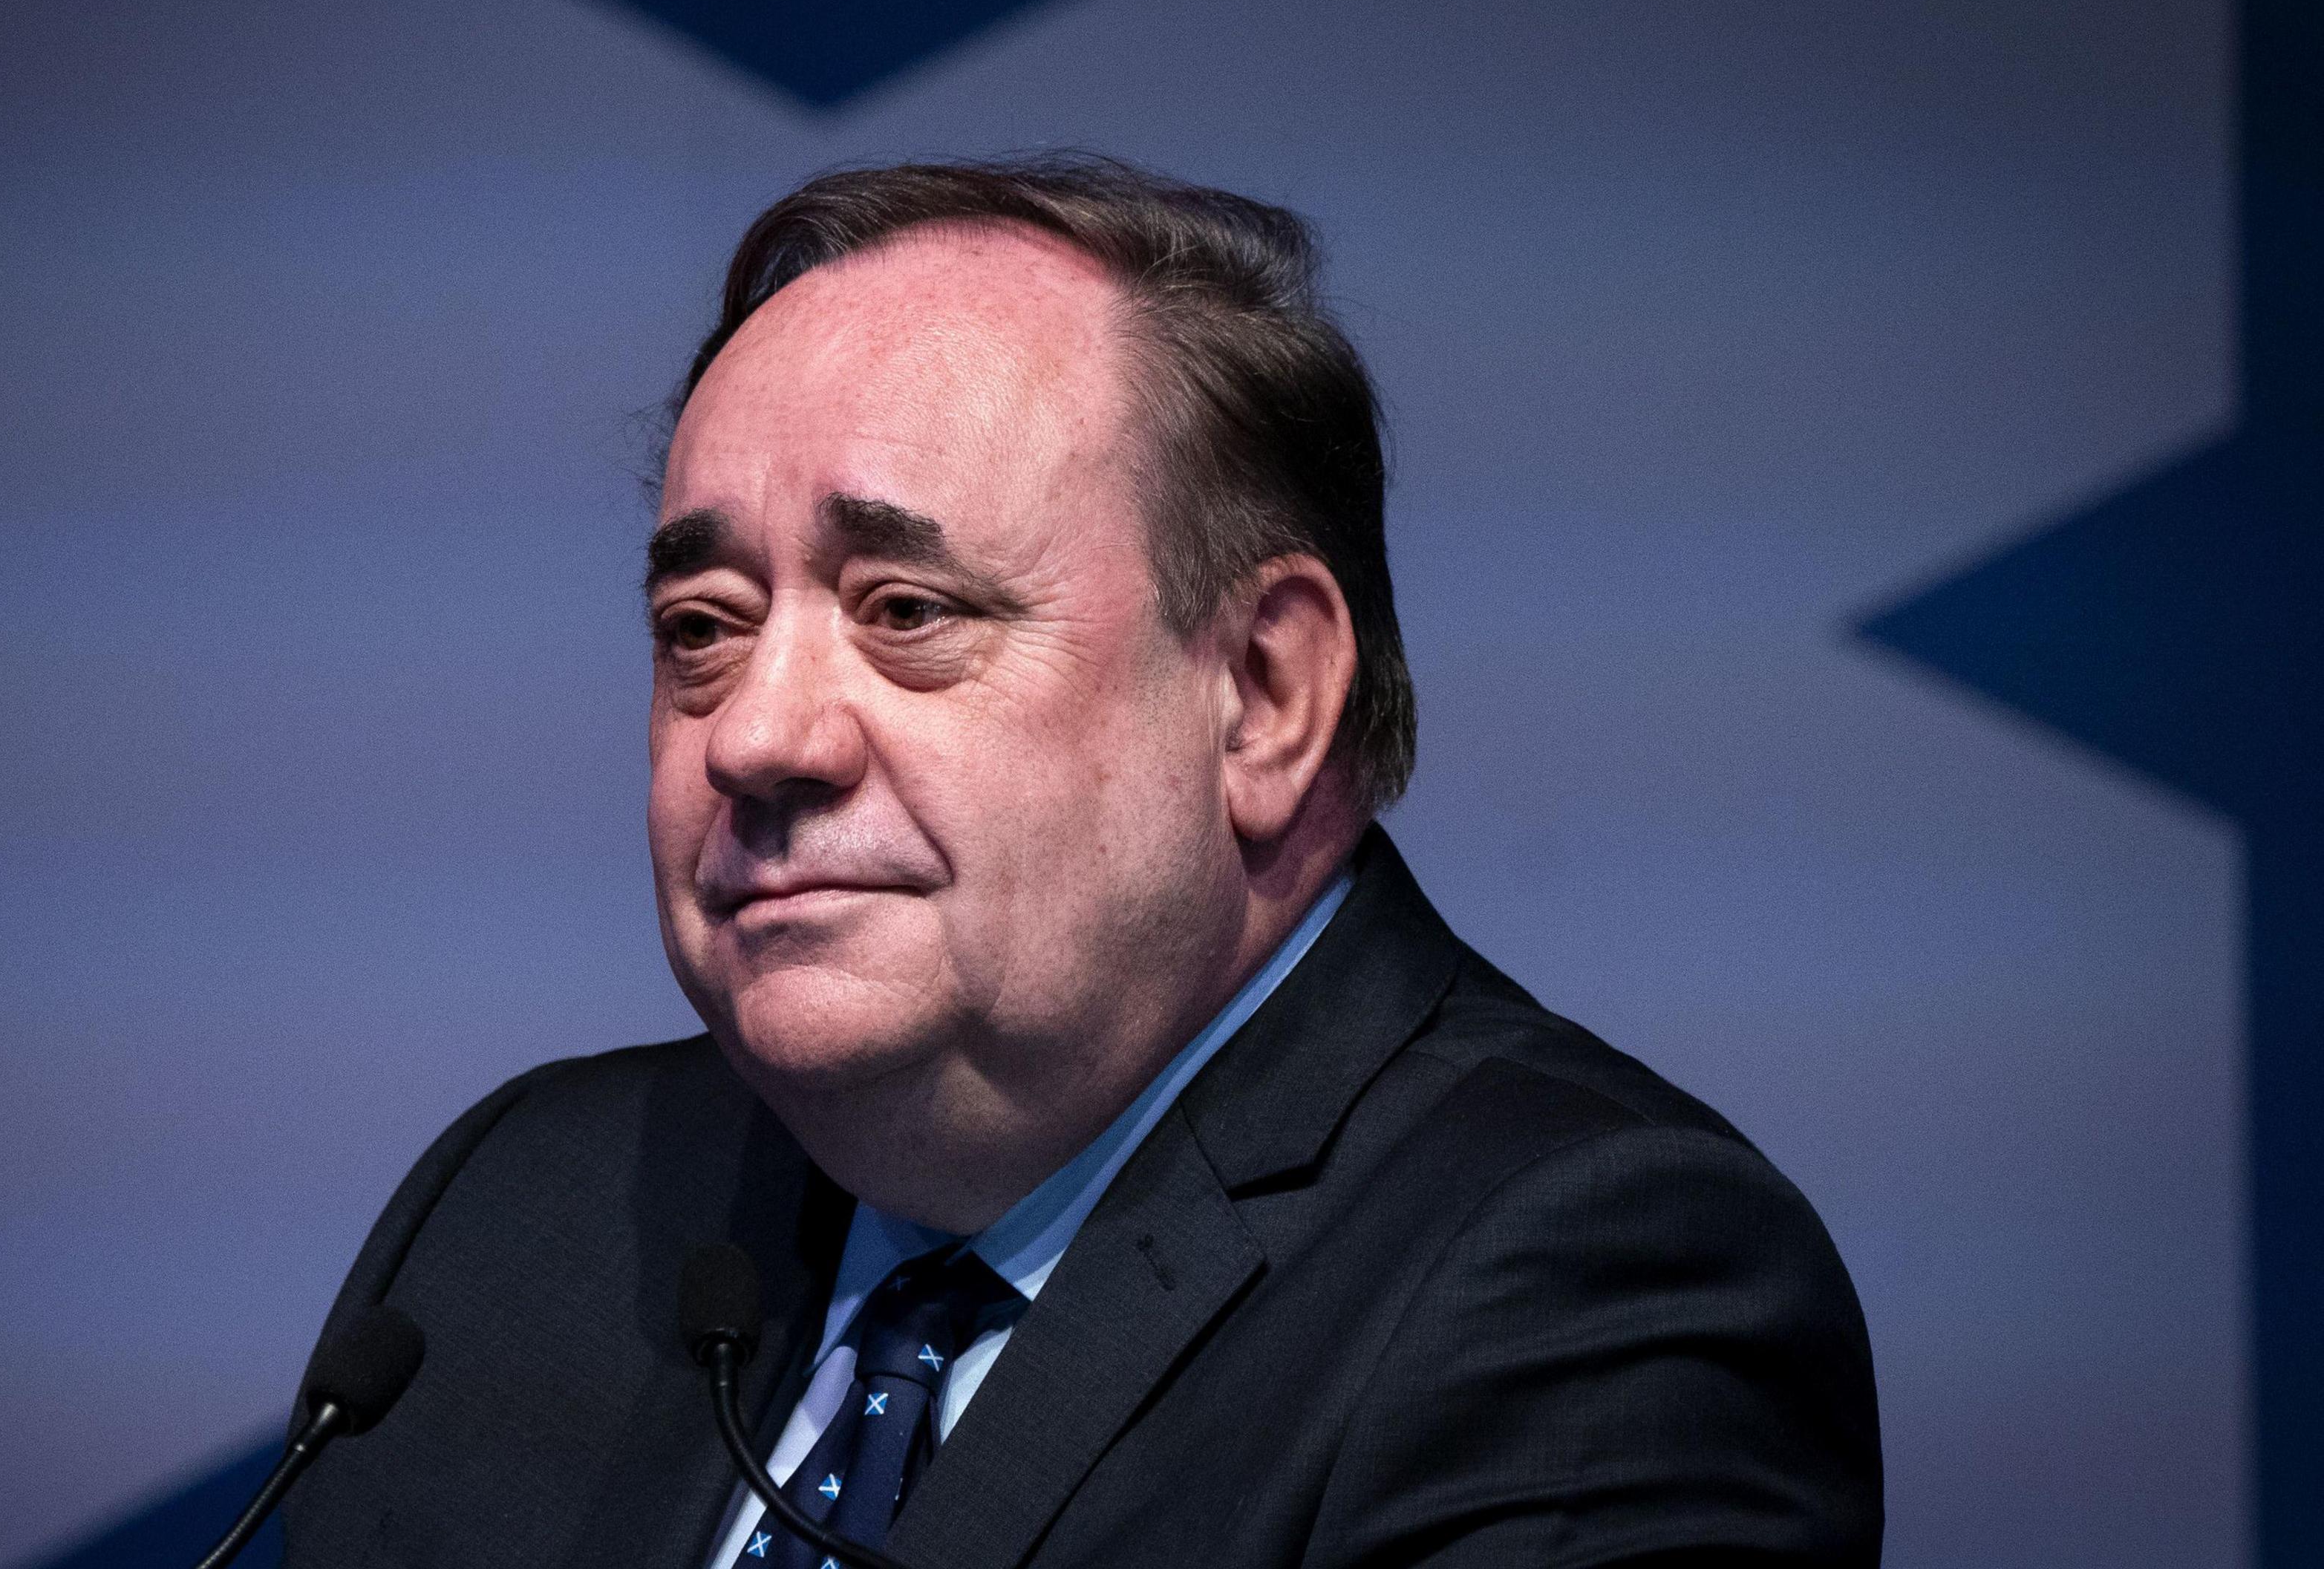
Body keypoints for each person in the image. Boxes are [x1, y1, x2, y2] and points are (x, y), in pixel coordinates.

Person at [284, 155, 1881, 1569]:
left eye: (908, 612)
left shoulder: (1582, 1297)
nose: (755, 737)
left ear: (1262, 693)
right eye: (701, 632)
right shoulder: (523, 1215)